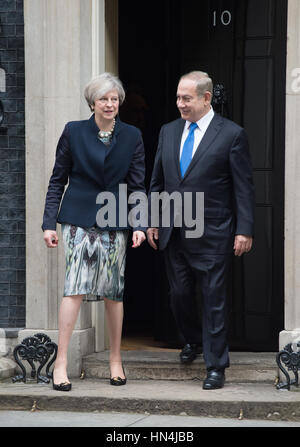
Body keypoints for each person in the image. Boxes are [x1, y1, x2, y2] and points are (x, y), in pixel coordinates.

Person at [147, 71, 254, 390]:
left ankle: (216, 365)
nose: (180, 103)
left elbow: (243, 187)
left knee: (213, 298)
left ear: (206, 99)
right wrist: (152, 219)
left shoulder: (232, 134)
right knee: (179, 294)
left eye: (186, 98)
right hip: (174, 231)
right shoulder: (167, 131)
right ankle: (192, 340)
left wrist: (244, 229)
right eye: (178, 97)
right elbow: (157, 181)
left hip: (214, 232)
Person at [42, 73, 146, 391]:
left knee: (114, 292)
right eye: (104, 99)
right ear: (92, 102)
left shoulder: (132, 136)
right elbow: (58, 178)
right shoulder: (73, 131)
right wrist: (49, 223)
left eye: (114, 99)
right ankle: (60, 365)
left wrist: (140, 223)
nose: (110, 104)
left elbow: (138, 184)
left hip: (114, 219)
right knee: (74, 287)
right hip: (78, 218)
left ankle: (116, 359)